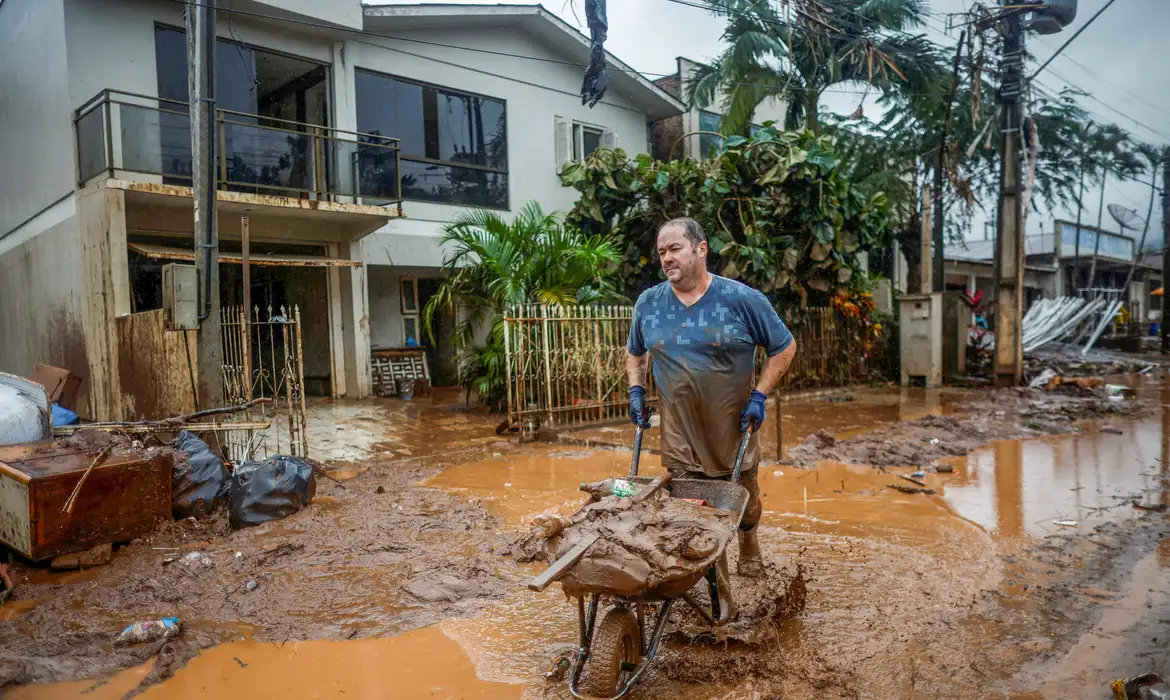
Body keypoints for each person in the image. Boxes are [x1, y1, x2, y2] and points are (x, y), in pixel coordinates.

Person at [625, 217, 797, 578]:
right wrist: (636, 389)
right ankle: (713, 578)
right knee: (690, 508)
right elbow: (635, 351)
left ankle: (749, 543)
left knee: (744, 501)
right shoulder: (649, 303)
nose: (667, 258)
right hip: (679, 431)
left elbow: (784, 347)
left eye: (674, 249)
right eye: (661, 252)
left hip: (733, 425)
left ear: (701, 249)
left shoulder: (741, 299)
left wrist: (759, 396)